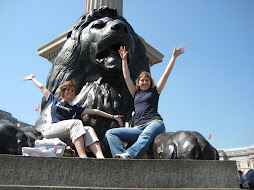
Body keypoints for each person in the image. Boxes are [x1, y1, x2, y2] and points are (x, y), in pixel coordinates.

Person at [105, 45, 184, 159]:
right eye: (142, 80)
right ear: (138, 82)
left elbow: (166, 74)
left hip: (154, 124)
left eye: (147, 80)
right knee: (111, 133)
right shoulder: (135, 93)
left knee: (145, 135)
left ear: (150, 82)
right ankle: (122, 159)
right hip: (138, 128)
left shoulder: (155, 91)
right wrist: (124, 60)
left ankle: (130, 154)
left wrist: (173, 57)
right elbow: (126, 76)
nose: (144, 82)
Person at [23, 74, 123, 158]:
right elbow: (42, 87)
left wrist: (113, 117)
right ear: (63, 91)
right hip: (50, 131)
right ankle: (83, 157)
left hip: (66, 136)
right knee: (76, 123)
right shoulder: (53, 100)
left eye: (72, 90)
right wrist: (32, 78)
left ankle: (100, 157)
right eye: (68, 90)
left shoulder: (74, 109)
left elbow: (95, 111)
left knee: (88, 129)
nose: (70, 92)